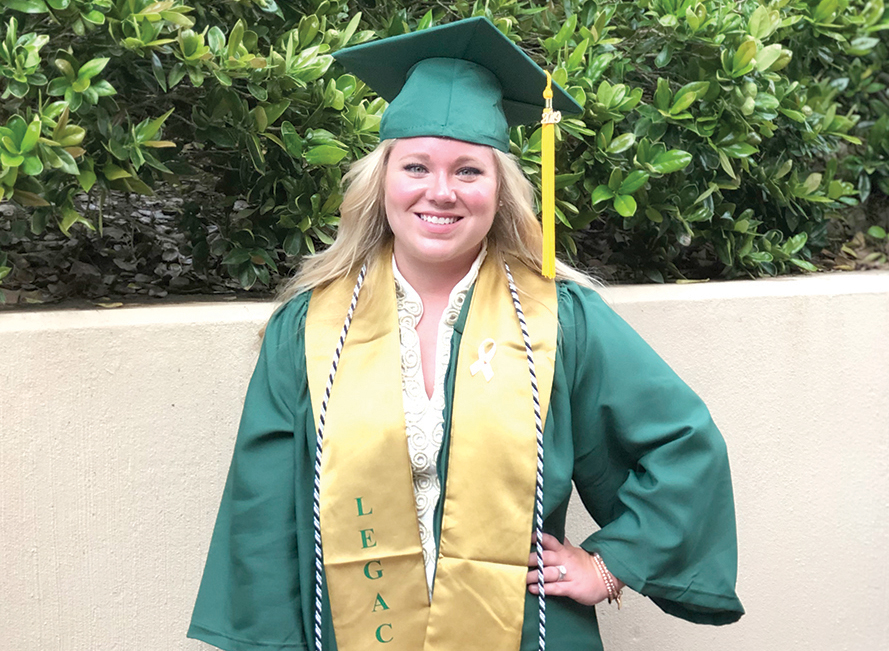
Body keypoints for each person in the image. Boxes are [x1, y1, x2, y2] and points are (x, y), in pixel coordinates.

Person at [187, 17, 744, 651]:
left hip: (526, 633)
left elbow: (684, 446)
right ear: (382, 181)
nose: (441, 192)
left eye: (469, 171)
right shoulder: (312, 330)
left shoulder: (559, 321)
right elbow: (263, 519)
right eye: (416, 166)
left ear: (500, 189)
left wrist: (610, 565)